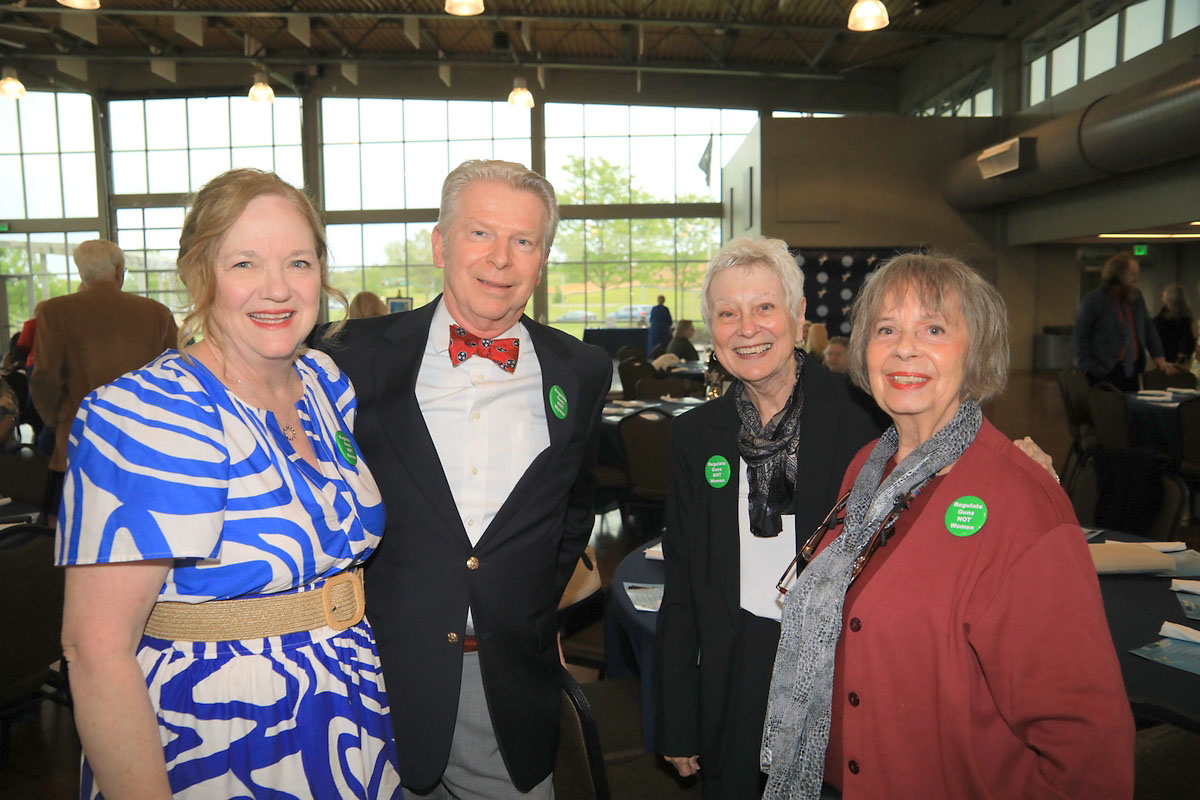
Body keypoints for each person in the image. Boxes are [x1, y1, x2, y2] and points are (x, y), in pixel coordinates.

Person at [57, 169, 401, 798]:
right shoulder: (152, 413)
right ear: (201, 274)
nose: (277, 288)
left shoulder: (324, 384)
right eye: (245, 262)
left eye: (297, 261)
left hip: (347, 715)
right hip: (221, 732)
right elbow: (95, 649)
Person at [762, 253, 1133, 799]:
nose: (905, 347)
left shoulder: (1024, 506)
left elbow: (1086, 747)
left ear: (976, 350)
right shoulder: (867, 467)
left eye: (933, 328)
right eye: (886, 329)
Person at [322, 159, 612, 798]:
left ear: (542, 260)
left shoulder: (582, 370)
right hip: (367, 681)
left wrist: (526, 612)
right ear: (439, 244)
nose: (501, 259)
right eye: (481, 233)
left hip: (505, 684)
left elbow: (574, 511)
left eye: (524, 241)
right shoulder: (346, 357)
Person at [655, 237, 888, 799]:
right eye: (727, 314)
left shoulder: (865, 415)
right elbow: (683, 583)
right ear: (712, 330)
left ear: (799, 315)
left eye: (765, 307)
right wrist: (677, 716)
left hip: (840, 673)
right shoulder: (695, 436)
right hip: (735, 670)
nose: (748, 328)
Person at [30, 240, 178, 518]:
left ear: (81, 273)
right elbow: (176, 374)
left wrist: (58, 420)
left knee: (67, 526)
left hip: (79, 436)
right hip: (144, 439)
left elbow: (45, 378)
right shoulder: (156, 312)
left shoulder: (54, 311)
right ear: (119, 270)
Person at [1073, 252, 1174, 390]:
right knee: (1107, 410)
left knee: (1130, 409)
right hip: (1103, 371)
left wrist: (1158, 355)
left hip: (1132, 369)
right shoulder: (1093, 301)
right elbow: (1081, 337)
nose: (1136, 278)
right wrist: (1089, 367)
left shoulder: (1136, 297)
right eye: (1132, 274)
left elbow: (1148, 327)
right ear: (1118, 274)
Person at [1154, 283, 1196, 366]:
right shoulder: (1165, 310)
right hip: (1162, 353)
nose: (1163, 293)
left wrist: (1181, 355)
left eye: (1166, 291)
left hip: (1173, 356)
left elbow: (1185, 337)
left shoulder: (1183, 316)